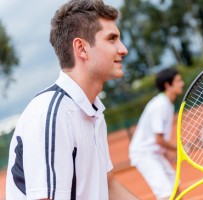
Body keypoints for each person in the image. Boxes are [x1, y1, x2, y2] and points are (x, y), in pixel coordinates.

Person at [6, 0, 138, 199]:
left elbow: (108, 184)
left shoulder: (93, 113)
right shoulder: (52, 115)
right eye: (112, 39)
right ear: (81, 48)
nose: (123, 49)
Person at [129, 68, 185, 200]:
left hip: (154, 152)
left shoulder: (167, 105)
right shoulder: (160, 105)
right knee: (166, 194)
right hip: (144, 154)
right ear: (167, 85)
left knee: (175, 186)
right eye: (178, 81)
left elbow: (159, 139)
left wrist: (165, 152)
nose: (182, 83)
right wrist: (179, 148)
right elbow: (158, 140)